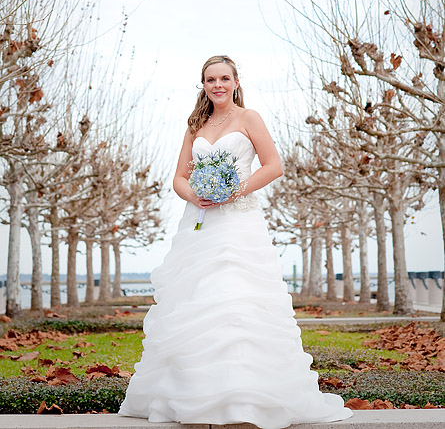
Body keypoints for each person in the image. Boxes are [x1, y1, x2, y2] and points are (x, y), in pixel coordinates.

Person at [119, 55, 353, 428]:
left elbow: (274, 165)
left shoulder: (249, 118)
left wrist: (235, 190)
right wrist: (195, 196)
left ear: (236, 81)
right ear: (203, 84)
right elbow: (179, 177)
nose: (218, 85)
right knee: (198, 302)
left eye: (224, 78)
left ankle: (245, 398)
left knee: (236, 300)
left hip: (239, 223)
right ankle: (195, 394)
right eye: (211, 79)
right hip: (200, 225)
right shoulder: (196, 124)